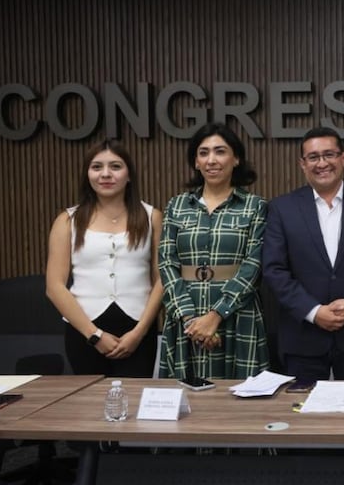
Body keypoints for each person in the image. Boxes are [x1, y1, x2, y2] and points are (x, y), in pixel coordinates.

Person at [263, 126, 344, 381]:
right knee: (303, 416)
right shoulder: (281, 208)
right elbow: (274, 269)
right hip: (302, 337)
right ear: (303, 164)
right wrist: (313, 311)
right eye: (313, 157)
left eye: (329, 154)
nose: (322, 163)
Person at [158, 123, 269, 381]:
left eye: (220, 151)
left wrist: (216, 316)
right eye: (203, 153)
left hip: (237, 313)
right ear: (195, 162)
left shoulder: (255, 206)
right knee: (182, 402)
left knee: (241, 401)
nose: (212, 160)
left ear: (236, 158)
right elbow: (166, 262)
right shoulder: (177, 205)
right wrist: (191, 320)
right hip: (186, 314)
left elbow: (254, 264)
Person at [46, 140, 162, 377]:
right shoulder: (67, 221)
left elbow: (162, 279)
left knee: (136, 405)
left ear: (129, 175)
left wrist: (138, 333)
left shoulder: (152, 217)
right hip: (84, 332)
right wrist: (94, 335)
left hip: (138, 333)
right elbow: (54, 287)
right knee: (89, 408)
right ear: (87, 174)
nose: (106, 174)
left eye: (115, 167)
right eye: (97, 167)